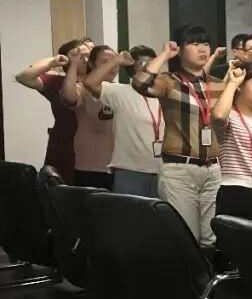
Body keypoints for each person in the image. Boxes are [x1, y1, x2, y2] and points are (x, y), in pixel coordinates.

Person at [132, 25, 227, 249]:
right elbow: (140, 83)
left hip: (213, 169)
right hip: (180, 169)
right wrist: (165, 54)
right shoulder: (169, 81)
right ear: (180, 50)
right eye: (194, 44)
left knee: (211, 239)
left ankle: (207, 273)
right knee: (186, 238)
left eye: (205, 43)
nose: (202, 49)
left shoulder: (218, 83)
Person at [83, 46, 162, 197]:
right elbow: (90, 82)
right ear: (132, 68)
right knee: (127, 212)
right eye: (143, 64)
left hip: (164, 172)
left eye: (153, 64)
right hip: (130, 172)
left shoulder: (165, 93)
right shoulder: (120, 92)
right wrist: (117, 60)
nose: (149, 69)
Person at [14, 37, 93, 183]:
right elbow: (23, 77)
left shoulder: (100, 84)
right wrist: (54, 61)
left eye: (89, 55)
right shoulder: (56, 82)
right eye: (80, 56)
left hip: (93, 150)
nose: (86, 60)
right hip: (63, 147)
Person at [211, 61, 252, 225]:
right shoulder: (229, 115)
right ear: (241, 86)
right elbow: (218, 116)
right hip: (235, 190)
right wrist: (232, 83)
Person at [60, 44, 115, 189]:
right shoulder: (83, 89)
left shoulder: (119, 90)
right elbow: (68, 97)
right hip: (91, 167)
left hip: (119, 167)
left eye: (115, 61)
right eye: (105, 62)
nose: (112, 66)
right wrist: (73, 64)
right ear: (91, 64)